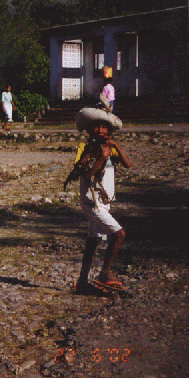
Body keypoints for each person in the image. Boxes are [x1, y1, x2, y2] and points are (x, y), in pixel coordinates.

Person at [73, 108, 132, 293]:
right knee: (119, 234)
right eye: (96, 127)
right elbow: (85, 173)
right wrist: (101, 157)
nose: (100, 131)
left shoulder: (110, 148)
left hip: (104, 203)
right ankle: (105, 273)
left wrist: (115, 147)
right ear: (90, 131)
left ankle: (82, 282)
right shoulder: (85, 148)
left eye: (104, 128)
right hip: (92, 202)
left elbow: (128, 164)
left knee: (93, 240)